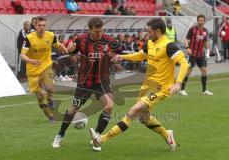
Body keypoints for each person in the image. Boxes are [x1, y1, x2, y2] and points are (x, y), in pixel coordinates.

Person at [89, 18, 189, 152]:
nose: (148, 34)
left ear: (158, 31)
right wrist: (121, 57)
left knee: (132, 112)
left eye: (150, 32)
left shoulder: (168, 45)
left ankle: (101, 139)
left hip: (160, 89)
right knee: (144, 118)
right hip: (147, 87)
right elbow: (140, 56)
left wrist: (178, 83)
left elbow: (184, 63)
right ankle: (167, 135)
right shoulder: (150, 43)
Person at [52, 17, 122, 151]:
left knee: (109, 106)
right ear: (90, 30)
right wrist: (70, 50)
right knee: (73, 109)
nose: (99, 34)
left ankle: (96, 138)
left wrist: (116, 61)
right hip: (85, 80)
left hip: (102, 79)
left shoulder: (110, 41)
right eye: (96, 32)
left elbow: (117, 54)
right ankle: (60, 135)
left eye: (101, 31)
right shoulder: (81, 40)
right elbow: (71, 52)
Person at [20, 16, 68, 123]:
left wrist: (66, 50)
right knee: (41, 96)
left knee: (50, 88)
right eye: (39, 25)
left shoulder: (50, 35)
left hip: (46, 66)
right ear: (35, 26)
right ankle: (50, 116)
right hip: (33, 71)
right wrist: (31, 61)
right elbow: (22, 55)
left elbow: (57, 45)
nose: (42, 27)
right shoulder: (29, 38)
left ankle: (50, 98)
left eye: (43, 25)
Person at [179, 14, 213, 96]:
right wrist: (187, 48)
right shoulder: (192, 30)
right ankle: (182, 89)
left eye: (202, 20)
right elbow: (186, 39)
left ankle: (204, 90)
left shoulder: (205, 31)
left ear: (204, 21)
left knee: (204, 71)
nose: (201, 22)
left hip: (201, 54)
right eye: (199, 20)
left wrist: (208, 46)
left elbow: (205, 42)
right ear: (197, 20)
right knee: (188, 71)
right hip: (192, 54)